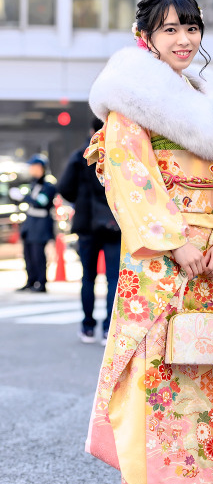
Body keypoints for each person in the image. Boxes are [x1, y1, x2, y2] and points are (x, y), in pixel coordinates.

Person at [84, 0, 213, 484]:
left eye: (191, 27)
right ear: (147, 37)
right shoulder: (132, 97)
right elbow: (130, 177)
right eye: (170, 29)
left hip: (212, 259)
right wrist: (174, 239)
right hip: (161, 254)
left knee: (200, 366)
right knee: (153, 367)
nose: (183, 39)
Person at [58, 118, 121, 344]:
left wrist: (82, 201)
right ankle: (108, 329)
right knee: (114, 277)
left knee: (88, 278)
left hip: (86, 226)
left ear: (91, 129)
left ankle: (87, 327)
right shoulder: (118, 154)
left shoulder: (80, 155)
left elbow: (64, 188)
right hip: (113, 224)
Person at [16, 154, 56, 293]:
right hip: (30, 225)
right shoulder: (33, 184)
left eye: (33, 167)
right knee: (28, 255)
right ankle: (31, 281)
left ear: (40, 168)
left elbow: (41, 203)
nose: (31, 169)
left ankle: (41, 282)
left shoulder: (48, 186)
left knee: (38, 255)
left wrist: (24, 197)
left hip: (41, 226)